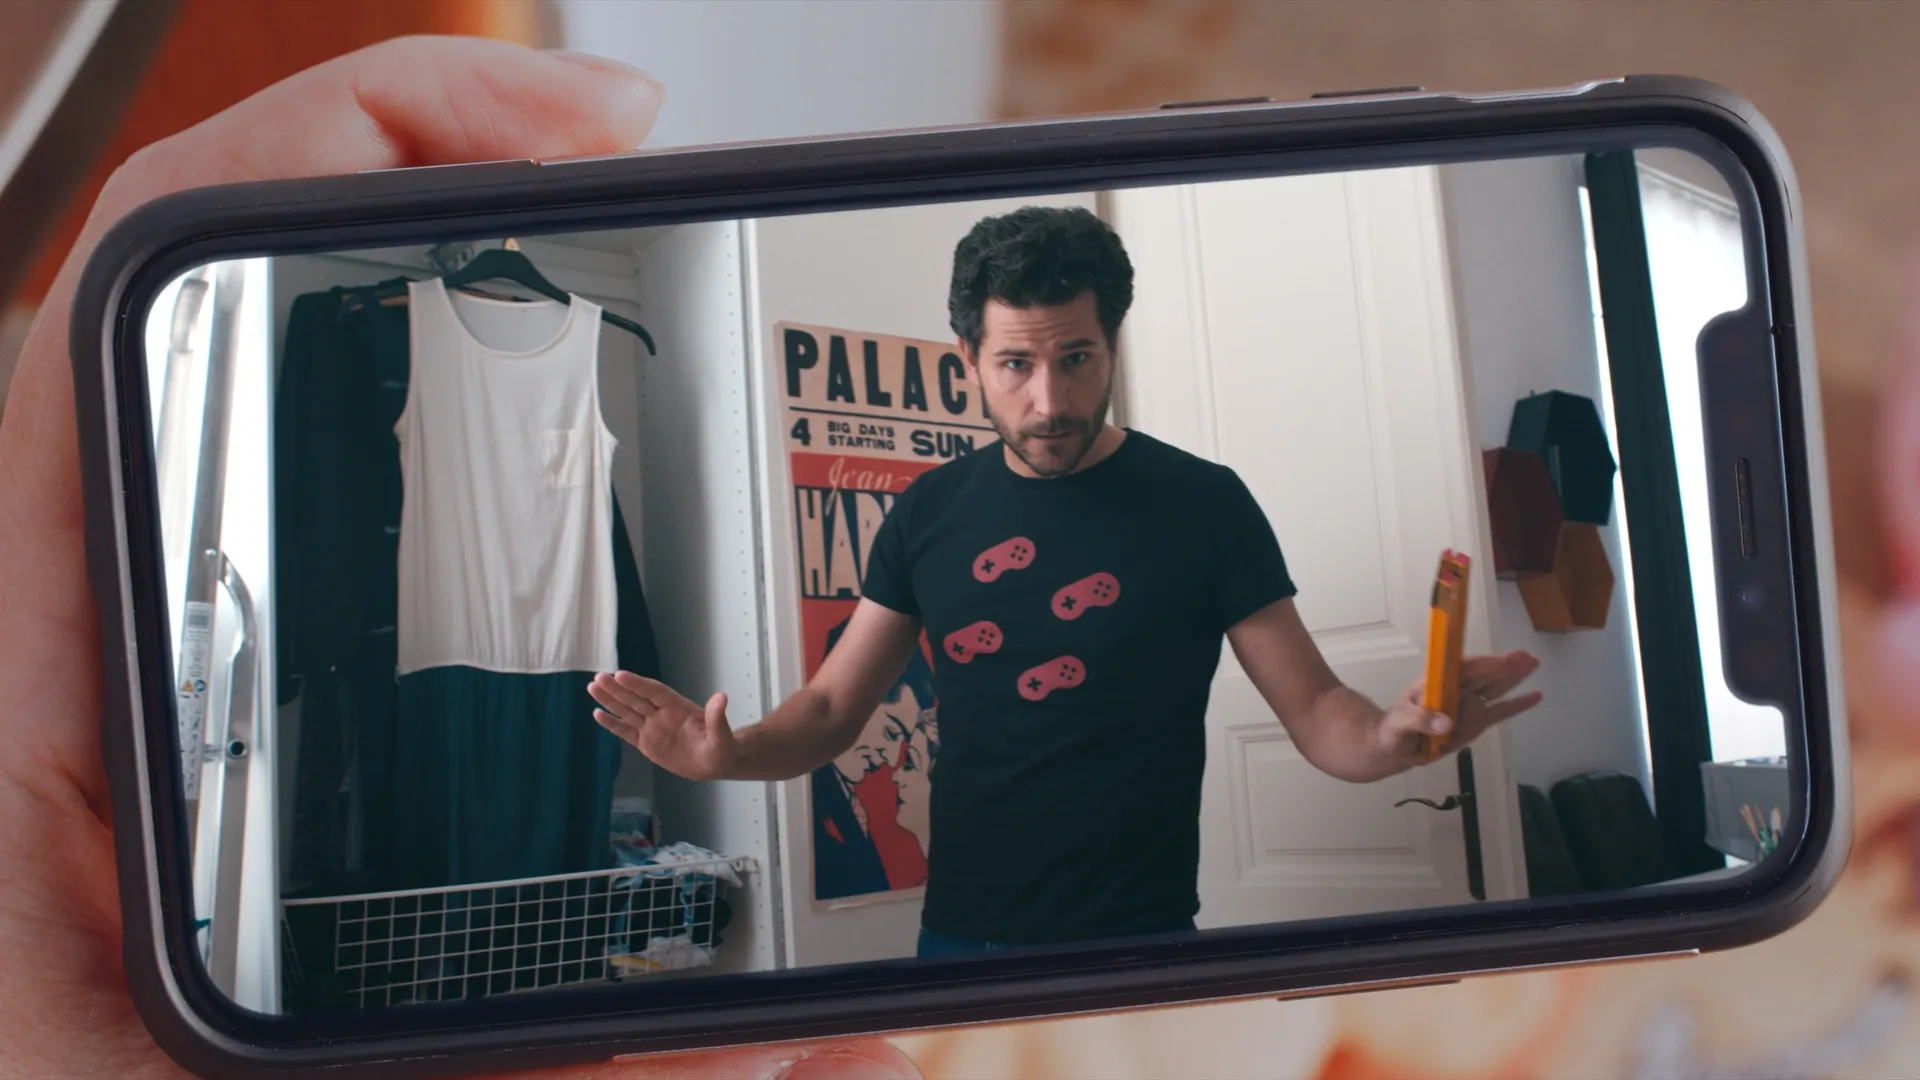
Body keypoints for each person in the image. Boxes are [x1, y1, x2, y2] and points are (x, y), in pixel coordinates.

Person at [0, 34, 917, 1080]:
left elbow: (609, 529)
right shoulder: (405, 323)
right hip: (462, 648)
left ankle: (523, 1011)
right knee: (453, 879)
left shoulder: (586, 337)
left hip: (566, 657)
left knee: (537, 896)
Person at [589, 205, 1545, 958]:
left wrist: (1396, 736)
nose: (1050, 402)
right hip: (963, 936)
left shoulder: (1204, 504)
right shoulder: (927, 514)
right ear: (968, 362)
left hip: (1146, 939)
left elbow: (1322, 715)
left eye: (1076, 359)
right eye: (1015, 365)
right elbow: (834, 711)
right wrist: (731, 754)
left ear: (1112, 346)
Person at [812, 618, 940, 900]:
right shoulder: (808, 797)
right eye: (891, 732)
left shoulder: (846, 801)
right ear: (852, 699)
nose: (892, 758)